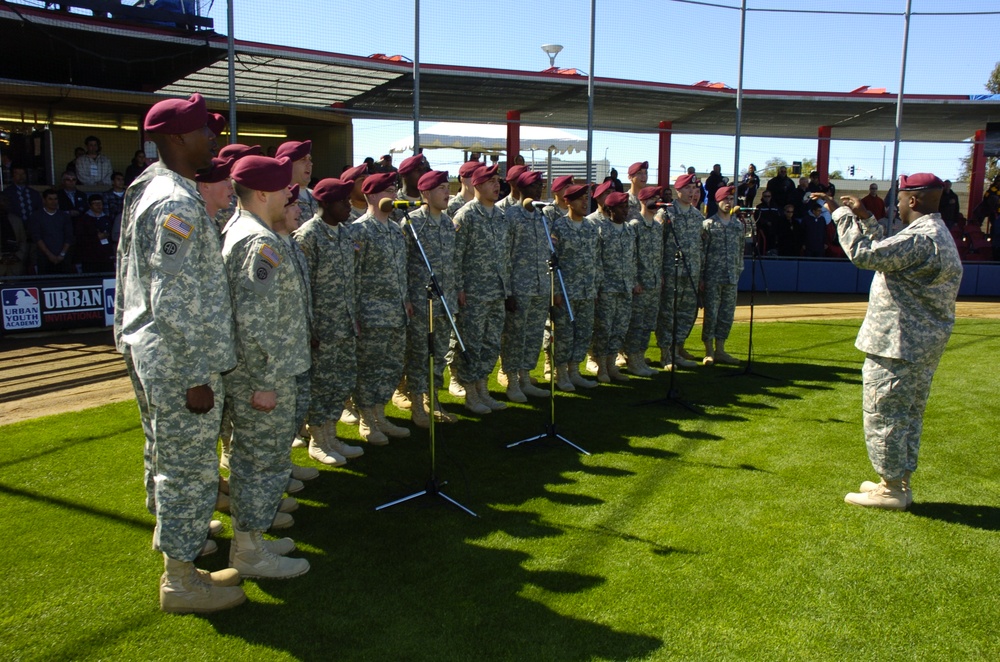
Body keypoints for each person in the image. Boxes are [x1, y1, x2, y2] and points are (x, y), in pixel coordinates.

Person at [114, 92, 245, 613]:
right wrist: (194, 374)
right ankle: (180, 580)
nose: (210, 137)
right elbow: (174, 299)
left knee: (170, 458)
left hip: (154, 350)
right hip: (178, 360)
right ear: (174, 138)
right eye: (200, 130)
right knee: (190, 468)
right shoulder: (175, 203)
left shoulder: (153, 184)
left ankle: (178, 554)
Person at [815, 173, 963, 511]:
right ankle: (896, 481)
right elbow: (887, 252)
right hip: (916, 344)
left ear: (913, 201)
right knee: (907, 414)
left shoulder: (921, 239)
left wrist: (839, 214)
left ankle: (891, 489)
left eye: (899, 198)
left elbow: (866, 256)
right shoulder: (932, 234)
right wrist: (865, 217)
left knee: (885, 413)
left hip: (898, 343)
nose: (894, 203)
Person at [293, 178, 366, 463]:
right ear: (324, 204)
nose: (348, 206)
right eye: (342, 202)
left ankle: (331, 436)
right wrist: (310, 327)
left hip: (345, 324)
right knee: (321, 384)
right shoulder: (308, 236)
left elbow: (354, 279)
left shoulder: (346, 234)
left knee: (342, 381)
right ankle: (318, 441)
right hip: (322, 327)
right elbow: (303, 287)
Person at [398, 170, 464, 422]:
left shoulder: (449, 223)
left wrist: (457, 289)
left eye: (448, 187)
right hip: (420, 302)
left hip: (444, 302)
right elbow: (402, 264)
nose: (447, 193)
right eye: (441, 189)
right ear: (425, 193)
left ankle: (432, 400)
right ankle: (417, 405)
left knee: (438, 355)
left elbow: (453, 262)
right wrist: (405, 298)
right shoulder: (411, 223)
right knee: (418, 355)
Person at [352, 171, 413, 441]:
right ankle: (367, 420)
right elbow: (352, 276)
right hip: (372, 314)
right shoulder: (359, 231)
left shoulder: (395, 229)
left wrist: (406, 300)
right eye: (388, 190)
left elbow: (402, 271)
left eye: (394, 190)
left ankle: (380, 415)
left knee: (390, 367)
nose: (394, 195)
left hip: (396, 313)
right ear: (372, 195)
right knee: (370, 369)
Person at [452, 164, 513, 412]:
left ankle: (483, 389)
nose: (496, 185)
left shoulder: (500, 217)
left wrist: (507, 289)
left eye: (498, 181)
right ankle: (471, 394)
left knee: (490, 344)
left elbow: (506, 256)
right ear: (476, 185)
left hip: (497, 292)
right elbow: (456, 256)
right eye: (490, 181)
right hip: (474, 294)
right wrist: (459, 288)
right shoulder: (465, 216)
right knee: (472, 343)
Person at [499, 169, 551, 402]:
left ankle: (525, 377)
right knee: (515, 336)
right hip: (519, 288)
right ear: (521, 189)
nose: (538, 189)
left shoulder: (543, 216)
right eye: (533, 186)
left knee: (532, 335)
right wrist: (508, 291)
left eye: (540, 185)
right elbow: (504, 256)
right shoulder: (510, 216)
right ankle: (512, 382)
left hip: (540, 287)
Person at [550, 184, 599, 391]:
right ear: (568, 202)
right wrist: (556, 291)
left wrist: (595, 286)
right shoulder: (558, 227)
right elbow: (552, 262)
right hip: (566, 292)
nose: (584, 203)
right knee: (564, 334)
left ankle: (574, 371)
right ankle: (560, 373)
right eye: (579, 199)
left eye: (586, 199)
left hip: (587, 290)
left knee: (584, 332)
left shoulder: (590, 227)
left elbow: (596, 259)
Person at [655, 173, 704, 369]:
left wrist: (699, 275)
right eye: (687, 188)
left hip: (691, 274)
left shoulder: (697, 216)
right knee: (668, 314)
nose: (691, 192)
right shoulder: (666, 214)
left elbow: (700, 248)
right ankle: (666, 355)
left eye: (694, 189)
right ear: (678, 191)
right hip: (671, 273)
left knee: (686, 314)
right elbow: (658, 245)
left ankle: (677, 350)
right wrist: (660, 273)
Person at [592, 191, 637, 383]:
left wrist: (633, 282)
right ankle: (601, 366)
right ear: (610, 210)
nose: (625, 211)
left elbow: (632, 259)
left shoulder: (628, 230)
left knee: (620, 328)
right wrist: (598, 286)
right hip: (607, 289)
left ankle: (612, 365)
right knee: (604, 328)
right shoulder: (602, 231)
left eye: (626, 207)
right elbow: (596, 261)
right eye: (621, 207)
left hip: (625, 287)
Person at [700, 186, 743, 366]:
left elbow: (741, 251)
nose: (728, 203)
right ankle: (709, 351)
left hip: (731, 278)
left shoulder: (738, 226)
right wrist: (701, 277)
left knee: (726, 314)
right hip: (712, 278)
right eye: (725, 199)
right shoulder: (708, 225)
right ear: (717, 201)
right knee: (711, 314)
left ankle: (721, 350)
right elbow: (702, 252)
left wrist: (739, 270)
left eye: (731, 200)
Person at [623, 185, 663, 377]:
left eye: (657, 198)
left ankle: (641, 357)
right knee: (636, 324)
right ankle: (633, 360)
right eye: (651, 199)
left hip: (654, 284)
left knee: (648, 324)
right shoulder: (634, 225)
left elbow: (660, 255)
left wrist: (660, 275)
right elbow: (629, 257)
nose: (655, 203)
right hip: (640, 285)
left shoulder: (657, 227)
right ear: (642, 201)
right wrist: (634, 281)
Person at [28, 189, 74, 274]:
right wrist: (49, 255)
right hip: (44, 258)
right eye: (50, 199)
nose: (54, 202)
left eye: (55, 199)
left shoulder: (64, 216)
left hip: (63, 258)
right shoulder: (36, 216)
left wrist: (62, 254)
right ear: (44, 200)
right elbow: (37, 237)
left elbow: (69, 236)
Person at [275, 140, 317, 222]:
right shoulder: (279, 198)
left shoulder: (317, 197)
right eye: (303, 159)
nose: (310, 163)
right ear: (288, 165)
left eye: (310, 159)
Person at [74, 194, 114, 273]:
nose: (98, 206)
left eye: (100, 203)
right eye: (95, 204)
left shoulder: (107, 218)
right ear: (90, 205)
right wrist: (96, 238)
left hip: (105, 256)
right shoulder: (83, 220)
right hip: (89, 257)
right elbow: (79, 238)